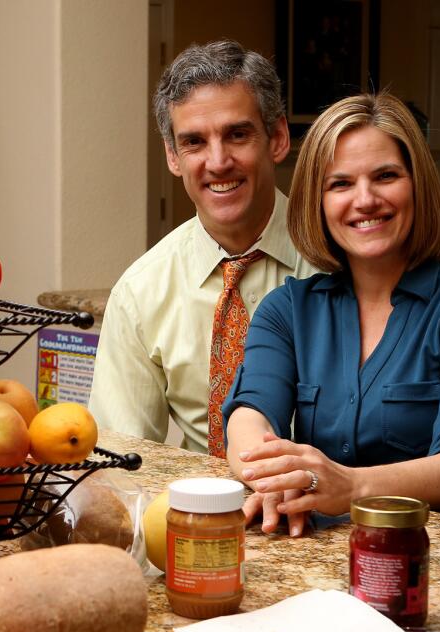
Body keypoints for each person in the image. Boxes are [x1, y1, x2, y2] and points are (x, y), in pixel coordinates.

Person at [223, 91, 440, 535]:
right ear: (317, 202)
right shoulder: (286, 310)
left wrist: (349, 486)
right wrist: (271, 478)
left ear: (417, 184)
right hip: (329, 553)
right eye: (340, 184)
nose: (364, 200)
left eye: (385, 176)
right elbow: (250, 417)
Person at [90, 40, 317, 456]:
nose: (217, 161)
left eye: (237, 134)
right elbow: (121, 459)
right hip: (199, 513)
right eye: (194, 142)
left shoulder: (337, 261)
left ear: (278, 138)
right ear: (173, 157)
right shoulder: (141, 293)